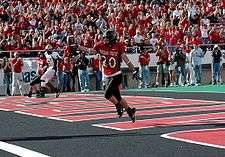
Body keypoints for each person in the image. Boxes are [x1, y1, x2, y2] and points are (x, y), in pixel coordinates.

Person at [78, 30, 139, 123]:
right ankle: (130, 111)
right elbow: (89, 50)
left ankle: (118, 106)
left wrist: (134, 70)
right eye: (104, 38)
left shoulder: (118, 46)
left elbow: (126, 60)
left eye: (107, 38)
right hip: (107, 75)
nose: (105, 40)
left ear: (112, 39)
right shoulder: (100, 45)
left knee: (107, 94)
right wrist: (78, 47)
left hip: (116, 75)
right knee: (118, 97)